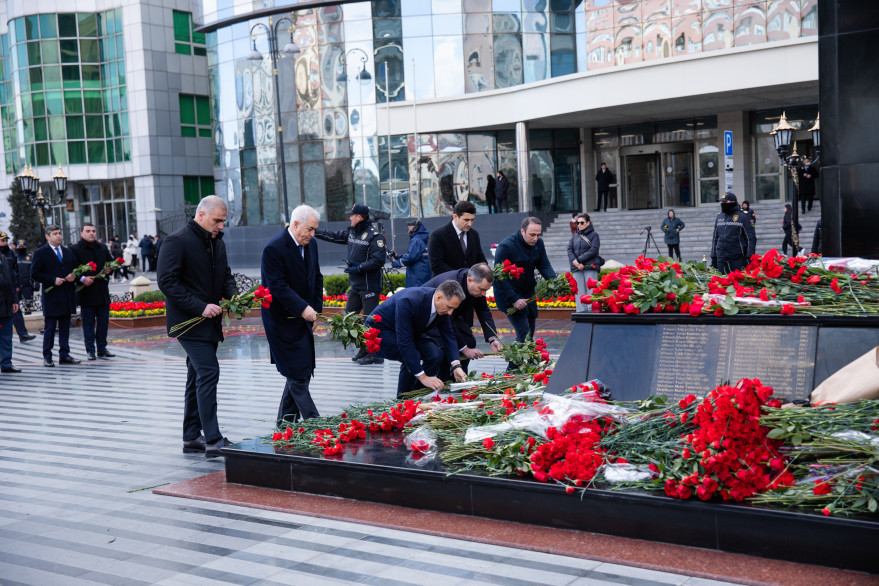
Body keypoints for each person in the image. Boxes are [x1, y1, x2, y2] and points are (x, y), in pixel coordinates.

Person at [158, 196, 237, 458]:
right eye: (217, 220)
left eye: (223, 221)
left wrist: (234, 297)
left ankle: (191, 436)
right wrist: (200, 306)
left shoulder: (216, 240)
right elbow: (167, 282)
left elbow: (225, 274)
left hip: (209, 322)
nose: (221, 226)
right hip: (188, 323)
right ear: (201, 214)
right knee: (208, 371)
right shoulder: (176, 241)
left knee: (196, 376)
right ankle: (213, 439)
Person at [261, 204, 324, 425]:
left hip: (304, 318)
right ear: (295, 224)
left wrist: (316, 311)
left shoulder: (312, 244)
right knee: (297, 374)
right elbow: (277, 287)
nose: (313, 234)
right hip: (281, 322)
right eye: (310, 229)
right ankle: (315, 423)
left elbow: (316, 278)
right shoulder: (274, 248)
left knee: (301, 371)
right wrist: (302, 308)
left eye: (315, 229)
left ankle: (284, 423)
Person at [365, 280, 468, 397]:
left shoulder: (442, 307)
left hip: (408, 331)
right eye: (449, 307)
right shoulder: (409, 301)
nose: (450, 313)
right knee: (410, 356)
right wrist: (423, 377)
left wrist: (456, 366)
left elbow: (448, 335)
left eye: (453, 309)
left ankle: (416, 394)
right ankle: (403, 399)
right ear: (439, 297)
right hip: (379, 331)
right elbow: (405, 342)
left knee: (435, 355)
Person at [314, 203, 387, 365]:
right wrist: (315, 232)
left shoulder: (375, 236)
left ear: (359, 217)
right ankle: (364, 347)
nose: (350, 217)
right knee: (350, 318)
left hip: (370, 286)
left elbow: (379, 260)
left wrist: (360, 267)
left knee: (370, 321)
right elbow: (334, 235)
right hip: (356, 285)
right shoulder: (353, 232)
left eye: (352, 215)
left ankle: (375, 354)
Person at [423, 263, 503, 377]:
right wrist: (465, 350)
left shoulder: (476, 285)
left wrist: (492, 338)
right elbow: (447, 320)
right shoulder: (451, 285)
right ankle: (443, 381)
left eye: (486, 290)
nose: (483, 294)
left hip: (452, 315)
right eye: (481, 289)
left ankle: (460, 377)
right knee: (445, 350)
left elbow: (483, 311)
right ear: (470, 280)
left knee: (469, 341)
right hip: (432, 316)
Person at [494, 217, 556, 346]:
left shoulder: (538, 243)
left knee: (529, 334)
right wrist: (514, 299)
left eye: (538, 235)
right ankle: (514, 366)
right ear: (522, 231)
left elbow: (544, 265)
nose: (535, 239)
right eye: (532, 235)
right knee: (524, 333)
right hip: (509, 294)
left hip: (528, 292)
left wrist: (554, 282)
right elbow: (499, 278)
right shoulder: (506, 246)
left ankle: (528, 364)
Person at [31, 224, 80, 367]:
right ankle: (47, 356)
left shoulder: (67, 251)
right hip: (52, 296)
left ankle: (64, 354)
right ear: (47, 236)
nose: (58, 236)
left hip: (66, 295)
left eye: (59, 233)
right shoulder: (40, 253)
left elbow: (76, 269)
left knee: (65, 327)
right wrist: (53, 279)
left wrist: (74, 276)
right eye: (55, 233)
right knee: (50, 328)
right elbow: (35, 274)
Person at [71, 223, 115, 361]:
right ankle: (90, 350)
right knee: (88, 323)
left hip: (102, 291)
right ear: (81, 233)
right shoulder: (75, 249)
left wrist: (110, 269)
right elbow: (72, 270)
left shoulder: (102, 247)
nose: (91, 233)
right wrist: (82, 278)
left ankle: (102, 348)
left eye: (93, 231)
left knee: (103, 322)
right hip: (86, 293)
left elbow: (110, 263)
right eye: (88, 231)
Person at [427, 200, 487, 276]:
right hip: (445, 285)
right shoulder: (438, 235)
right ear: (455, 217)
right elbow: (437, 265)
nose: (470, 224)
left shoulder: (474, 234)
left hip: (469, 285)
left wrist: (484, 270)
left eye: (472, 220)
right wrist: (461, 276)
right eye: (466, 220)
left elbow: (480, 258)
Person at [0, 232, 35, 342]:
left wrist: (17, 285)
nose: (5, 243)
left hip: (10, 287)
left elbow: (15, 271)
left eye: (6, 240)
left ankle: (23, 334)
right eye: (2, 240)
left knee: (16, 310)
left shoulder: (11, 254)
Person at [710, 192, 757, 274]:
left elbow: (751, 238)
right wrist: (713, 256)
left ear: (733, 202)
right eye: (722, 202)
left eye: (725, 202)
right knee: (721, 284)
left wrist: (749, 257)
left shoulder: (743, 216)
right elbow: (715, 238)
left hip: (737, 258)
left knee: (737, 285)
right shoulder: (719, 217)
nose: (723, 204)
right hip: (721, 258)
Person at [567, 214, 601, 313]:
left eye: (582, 222)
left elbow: (593, 250)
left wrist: (579, 260)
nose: (579, 225)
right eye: (578, 223)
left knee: (591, 292)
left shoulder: (594, 235)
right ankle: (580, 313)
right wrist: (576, 263)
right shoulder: (575, 236)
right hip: (577, 268)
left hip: (590, 266)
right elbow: (569, 250)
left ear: (588, 223)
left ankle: (592, 313)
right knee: (578, 292)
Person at [391, 219, 431, 287]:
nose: (408, 227)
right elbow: (416, 255)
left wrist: (395, 263)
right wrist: (398, 256)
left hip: (416, 277)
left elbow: (410, 258)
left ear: (416, 227)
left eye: (410, 225)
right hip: (424, 274)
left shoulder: (416, 240)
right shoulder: (423, 238)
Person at [0, 240, 21, 373]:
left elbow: (10, 280)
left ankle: (6, 363)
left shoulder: (2, 257)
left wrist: (14, 300)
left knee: (6, 336)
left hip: (6, 303)